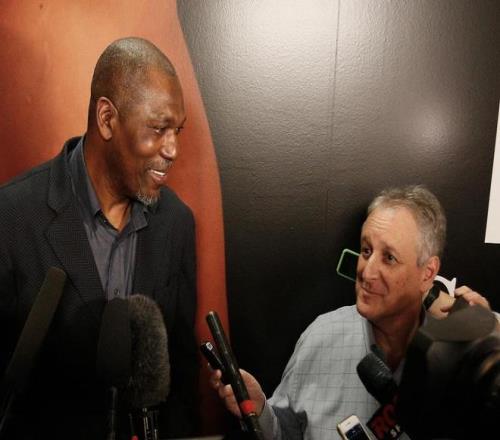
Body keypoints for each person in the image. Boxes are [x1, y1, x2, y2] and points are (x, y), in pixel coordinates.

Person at [0, 37, 198, 439]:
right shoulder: (13, 216)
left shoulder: (176, 223)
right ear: (107, 118)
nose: (173, 149)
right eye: (159, 129)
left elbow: (180, 375)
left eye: (177, 131)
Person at [210, 184, 492, 440]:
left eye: (389, 258)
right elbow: (285, 433)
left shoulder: (462, 359)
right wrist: (259, 408)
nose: (366, 271)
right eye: (366, 251)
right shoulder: (321, 336)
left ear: (428, 273)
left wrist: (490, 339)